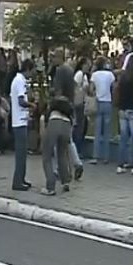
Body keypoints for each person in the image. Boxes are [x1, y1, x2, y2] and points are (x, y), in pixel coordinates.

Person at [52, 49, 84, 180]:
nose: (53, 60)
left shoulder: (60, 71)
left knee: (57, 139)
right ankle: (77, 163)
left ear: (59, 57)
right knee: (69, 139)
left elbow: (58, 91)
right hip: (70, 107)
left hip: (61, 107)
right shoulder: (70, 70)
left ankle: (61, 169)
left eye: (54, 57)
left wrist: (53, 99)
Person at [10, 59, 36, 191]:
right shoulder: (19, 81)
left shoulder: (21, 81)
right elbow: (21, 101)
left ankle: (21, 178)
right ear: (28, 69)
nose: (32, 74)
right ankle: (17, 181)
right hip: (19, 122)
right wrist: (31, 105)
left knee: (23, 152)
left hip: (22, 120)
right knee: (21, 153)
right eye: (32, 71)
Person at [41, 96, 74, 196]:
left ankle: (50, 187)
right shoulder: (68, 114)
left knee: (46, 156)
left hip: (54, 123)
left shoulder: (52, 111)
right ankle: (65, 182)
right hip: (66, 125)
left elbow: (44, 121)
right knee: (62, 154)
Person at [90, 57, 115, 164]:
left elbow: (91, 89)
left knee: (97, 130)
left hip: (98, 102)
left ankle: (95, 156)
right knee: (107, 131)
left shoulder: (94, 75)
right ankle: (106, 157)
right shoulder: (110, 75)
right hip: (108, 102)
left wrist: (96, 93)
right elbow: (113, 87)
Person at [73, 57, 91, 156]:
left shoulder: (84, 76)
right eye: (87, 65)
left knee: (82, 126)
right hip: (78, 103)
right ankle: (77, 149)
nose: (88, 67)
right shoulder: (79, 75)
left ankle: (78, 148)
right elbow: (75, 88)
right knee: (79, 126)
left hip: (83, 102)